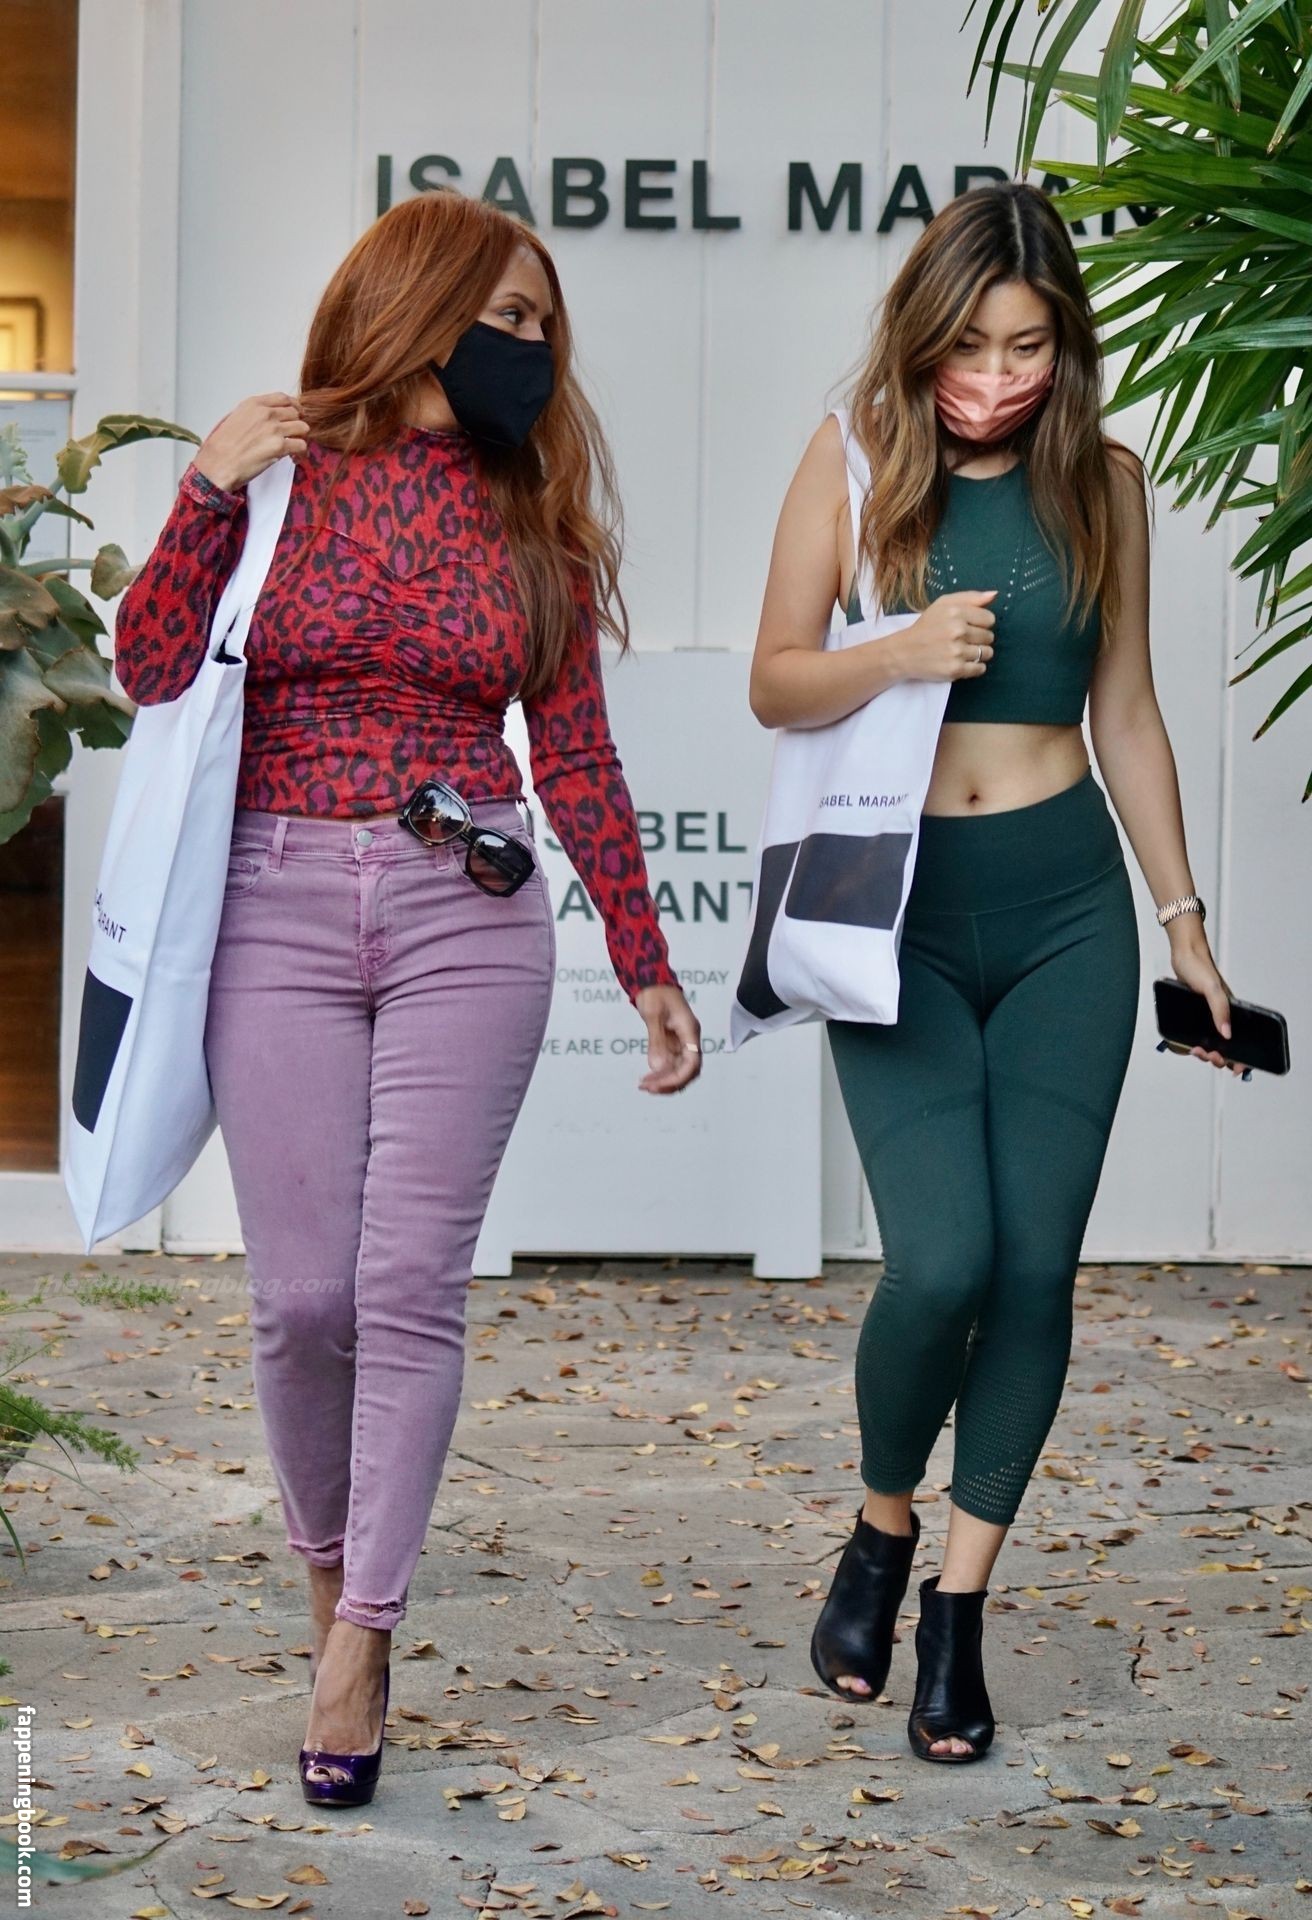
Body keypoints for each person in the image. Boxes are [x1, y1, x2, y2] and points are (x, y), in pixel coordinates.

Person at [112, 188, 701, 1806]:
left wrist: (647, 961)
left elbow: (577, 755)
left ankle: (363, 1636)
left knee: (408, 1287)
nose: (534, 348)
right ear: (422, 307)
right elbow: (149, 666)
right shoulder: (280, 481)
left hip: (467, 911)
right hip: (277, 902)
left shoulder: (534, 524)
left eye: (544, 326)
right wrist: (205, 490)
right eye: (507, 317)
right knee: (304, 1303)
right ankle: (329, 1586)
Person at [748, 181, 1243, 1765]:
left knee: (1034, 1271)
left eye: (1028, 346)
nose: (997, 376)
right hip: (889, 908)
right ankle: (881, 1524)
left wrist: (1183, 922)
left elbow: (1130, 714)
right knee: (942, 1263)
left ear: (1064, 344)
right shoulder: (851, 463)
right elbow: (775, 682)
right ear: (923, 336)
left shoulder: (1103, 481)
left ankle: (957, 1610)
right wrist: (897, 650)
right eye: (970, 346)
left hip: (1067, 914)